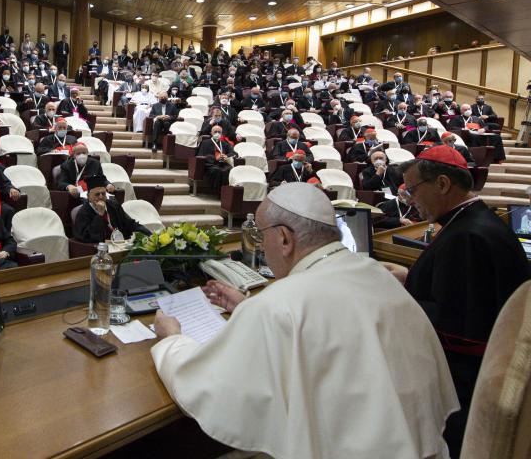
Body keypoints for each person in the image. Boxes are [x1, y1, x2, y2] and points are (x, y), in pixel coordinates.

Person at [151, 183, 459, 459]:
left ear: (284, 238)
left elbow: (206, 386)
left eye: (261, 235)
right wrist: (248, 306)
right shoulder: (377, 274)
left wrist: (171, 340)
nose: (260, 245)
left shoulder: (277, 306)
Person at [388, 146, 530, 456]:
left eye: (413, 189)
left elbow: (458, 330)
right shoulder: (475, 221)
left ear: (441, 184)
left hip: (465, 386)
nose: (410, 199)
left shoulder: (466, 237)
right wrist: (410, 278)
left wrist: (392, 299)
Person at [73, 176, 150, 244]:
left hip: (121, 243)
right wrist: (100, 215)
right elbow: (87, 237)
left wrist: (150, 235)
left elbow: (130, 223)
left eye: (103, 194)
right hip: (100, 249)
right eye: (97, 194)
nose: (100, 197)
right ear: (89, 197)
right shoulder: (83, 213)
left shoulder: (113, 205)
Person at [196, 125, 236, 195]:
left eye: (219, 132)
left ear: (221, 134)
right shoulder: (205, 142)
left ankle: (225, 193)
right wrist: (215, 158)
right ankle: (217, 191)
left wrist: (226, 156)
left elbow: (233, 153)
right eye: (215, 132)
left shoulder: (225, 143)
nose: (217, 133)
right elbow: (200, 155)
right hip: (211, 164)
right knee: (216, 170)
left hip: (223, 163)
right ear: (211, 133)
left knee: (229, 169)